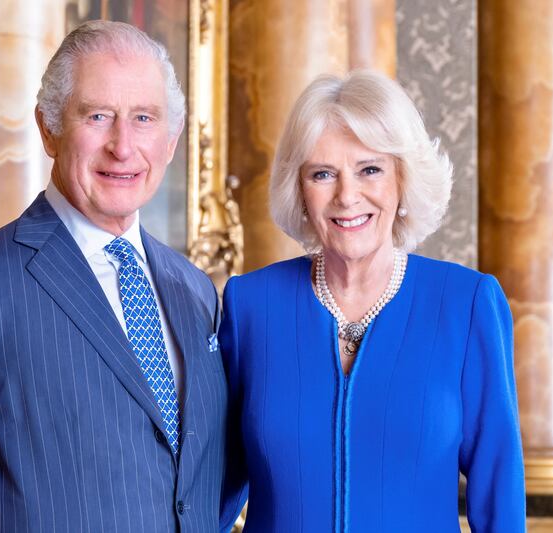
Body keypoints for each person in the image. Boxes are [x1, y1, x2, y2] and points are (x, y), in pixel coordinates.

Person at [0, 20, 227, 532]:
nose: (123, 145)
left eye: (143, 118)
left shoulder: (195, 290)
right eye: (97, 116)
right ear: (49, 128)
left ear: (172, 139)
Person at [218, 71, 526, 532]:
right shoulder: (251, 307)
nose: (347, 196)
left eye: (370, 169)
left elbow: (499, 492)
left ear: (401, 179)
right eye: (323, 174)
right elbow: (212, 487)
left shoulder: (466, 305)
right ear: (300, 191)